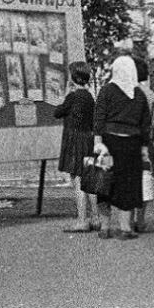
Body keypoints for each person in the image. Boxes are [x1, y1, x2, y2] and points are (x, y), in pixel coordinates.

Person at [92, 55, 152, 240]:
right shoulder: (139, 94)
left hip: (108, 143)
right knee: (128, 185)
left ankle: (105, 227)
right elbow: (145, 124)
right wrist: (144, 148)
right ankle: (125, 228)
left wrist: (97, 142)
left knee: (104, 183)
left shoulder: (107, 90)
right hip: (132, 145)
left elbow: (99, 117)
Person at [55, 61, 99, 232]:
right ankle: (96, 218)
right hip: (88, 140)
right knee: (90, 178)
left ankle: (82, 220)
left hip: (75, 141)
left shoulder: (72, 97)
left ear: (73, 78)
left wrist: (67, 92)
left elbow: (58, 112)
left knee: (78, 179)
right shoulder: (89, 97)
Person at [131, 56, 154, 233]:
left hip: (129, 140)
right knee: (146, 178)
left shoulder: (126, 92)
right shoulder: (152, 95)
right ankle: (140, 219)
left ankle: (130, 217)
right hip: (146, 142)